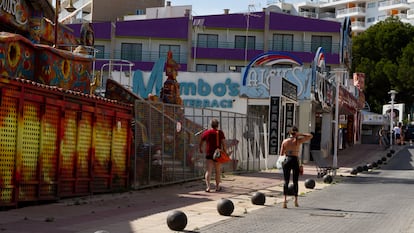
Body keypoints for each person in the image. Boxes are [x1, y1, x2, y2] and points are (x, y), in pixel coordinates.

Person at [279, 126, 313, 208]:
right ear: (296, 133)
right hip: (294, 160)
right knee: (295, 181)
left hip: (286, 159)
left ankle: (284, 200)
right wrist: (300, 134)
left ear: (289, 133)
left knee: (286, 181)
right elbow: (310, 136)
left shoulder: (285, 141)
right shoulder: (298, 141)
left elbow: (281, 154)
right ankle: (296, 200)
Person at [199, 119, 227, 192]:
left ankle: (208, 187)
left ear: (210, 125)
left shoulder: (207, 132)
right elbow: (224, 143)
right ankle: (217, 187)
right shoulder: (220, 133)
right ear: (218, 125)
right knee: (217, 171)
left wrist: (200, 148)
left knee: (208, 171)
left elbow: (201, 141)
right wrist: (225, 152)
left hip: (209, 153)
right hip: (217, 154)